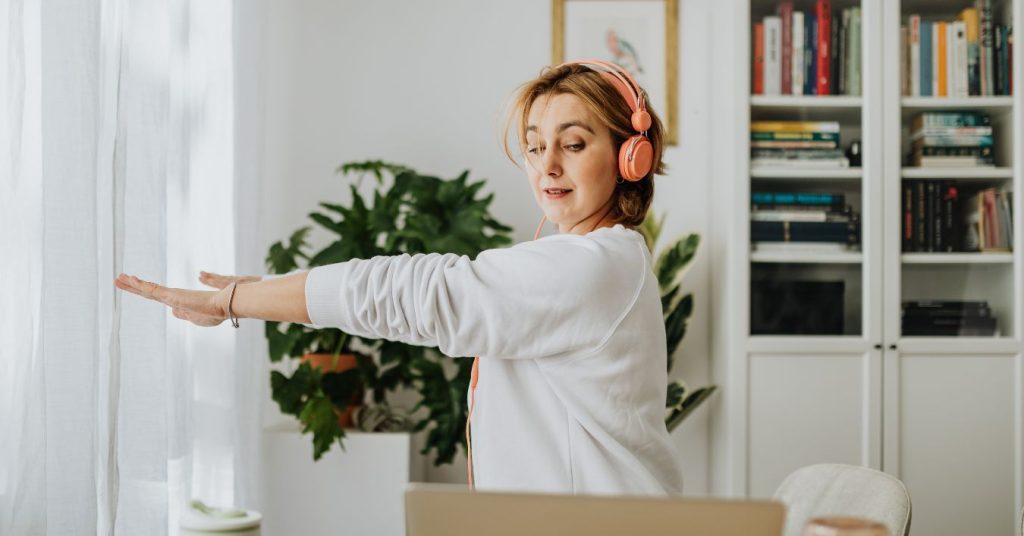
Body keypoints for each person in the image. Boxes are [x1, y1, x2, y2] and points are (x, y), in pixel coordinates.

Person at [115, 60, 685, 496]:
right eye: (536, 146)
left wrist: (237, 301)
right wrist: (255, 291)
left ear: (629, 155)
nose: (547, 165)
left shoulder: (593, 266)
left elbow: (414, 293)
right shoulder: (598, 260)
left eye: (575, 143)